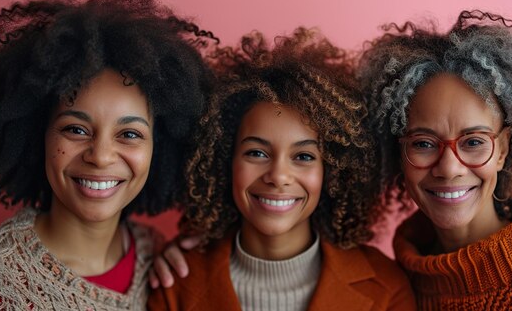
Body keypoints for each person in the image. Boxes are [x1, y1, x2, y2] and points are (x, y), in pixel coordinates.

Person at [0, 0, 214, 309]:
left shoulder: (160, 260)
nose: (101, 156)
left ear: (158, 148)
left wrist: (207, 262)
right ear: (39, 135)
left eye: (129, 134)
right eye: (76, 129)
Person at [147, 28, 416, 311]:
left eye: (303, 156)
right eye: (257, 153)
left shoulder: (387, 290)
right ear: (226, 161)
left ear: (333, 171)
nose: (278, 176)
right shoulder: (174, 285)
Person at [358, 10, 512, 310]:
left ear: (502, 149)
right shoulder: (388, 287)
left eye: (474, 142)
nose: (449, 168)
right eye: (423, 143)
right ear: (398, 154)